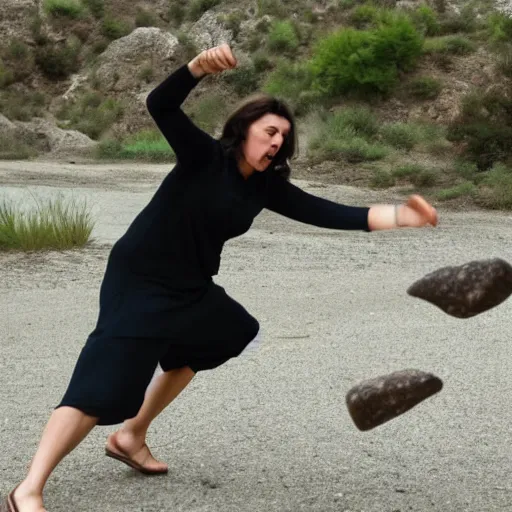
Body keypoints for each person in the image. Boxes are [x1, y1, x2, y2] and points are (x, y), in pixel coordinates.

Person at [3, 43, 438, 512]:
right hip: (141, 279)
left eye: (282, 139)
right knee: (103, 382)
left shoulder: (266, 185)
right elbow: (160, 104)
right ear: (244, 129)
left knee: (229, 330)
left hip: (190, 288)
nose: (275, 143)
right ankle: (27, 489)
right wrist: (195, 69)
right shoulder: (203, 157)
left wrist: (402, 217)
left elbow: (327, 212)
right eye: (269, 131)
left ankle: (131, 435)